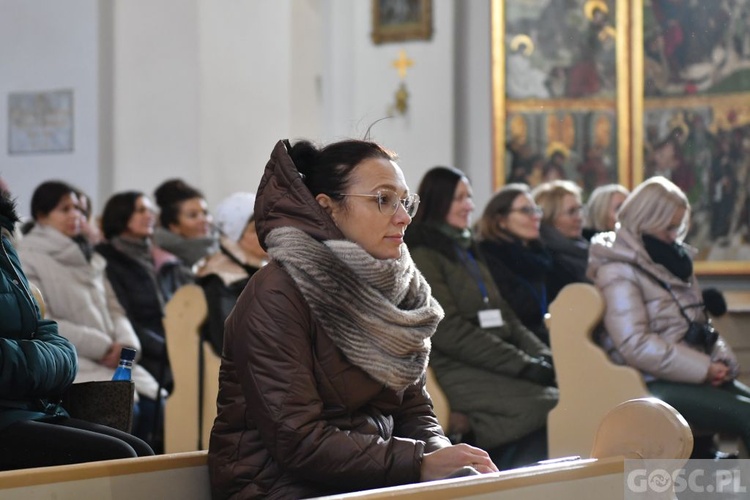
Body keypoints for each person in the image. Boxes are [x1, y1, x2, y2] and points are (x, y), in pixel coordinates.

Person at [208, 140, 497, 499]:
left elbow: (414, 408)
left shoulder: (394, 288)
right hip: (278, 487)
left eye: (405, 201)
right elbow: (298, 440)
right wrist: (420, 462)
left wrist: (442, 454)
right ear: (327, 209)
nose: (403, 216)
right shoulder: (277, 293)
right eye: (383, 199)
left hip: (373, 481)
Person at [404, 166, 558, 470]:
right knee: (545, 405)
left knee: (561, 392)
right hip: (453, 365)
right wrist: (521, 364)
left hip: (494, 359)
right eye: (460, 198)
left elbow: (505, 316)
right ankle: (506, 481)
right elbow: (450, 330)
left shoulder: (466, 246)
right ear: (439, 201)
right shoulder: (423, 252)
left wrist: (542, 356)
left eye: (470, 197)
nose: (470, 205)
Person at [588, 176, 750, 456]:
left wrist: (720, 359)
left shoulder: (672, 260)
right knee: (745, 415)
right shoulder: (617, 269)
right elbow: (634, 343)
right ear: (646, 218)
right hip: (648, 381)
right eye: (669, 226)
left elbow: (700, 323)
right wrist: (704, 368)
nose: (675, 234)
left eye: (679, 225)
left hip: (687, 372)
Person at [0, 187, 153, 470]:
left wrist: (126, 345)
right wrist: (97, 347)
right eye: (65, 208)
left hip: (37, 396)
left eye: (80, 209)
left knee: (143, 451)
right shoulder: (31, 254)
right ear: (42, 215)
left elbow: (44, 323)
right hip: (36, 391)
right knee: (122, 456)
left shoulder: (7, 249)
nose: (76, 216)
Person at [96, 191, 183, 451]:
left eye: (149, 209)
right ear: (121, 216)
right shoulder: (107, 258)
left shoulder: (155, 257)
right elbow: (127, 316)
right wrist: (170, 350)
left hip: (167, 348)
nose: (149, 215)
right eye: (140, 210)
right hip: (144, 352)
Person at [477, 184, 553, 345]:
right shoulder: (489, 257)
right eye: (526, 211)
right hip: (514, 342)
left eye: (536, 210)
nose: (536, 217)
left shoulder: (540, 256)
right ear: (501, 220)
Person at [195, 191, 267, 356]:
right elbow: (229, 342)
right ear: (235, 236)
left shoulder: (260, 269)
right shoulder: (221, 279)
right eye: (255, 229)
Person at [153, 178, 218, 298]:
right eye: (193, 215)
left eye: (205, 213)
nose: (204, 220)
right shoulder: (167, 264)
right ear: (173, 226)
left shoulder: (220, 251)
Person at [532, 180, 590, 302]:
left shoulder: (583, 247)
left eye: (580, 210)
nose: (579, 218)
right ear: (549, 217)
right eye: (571, 212)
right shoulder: (548, 259)